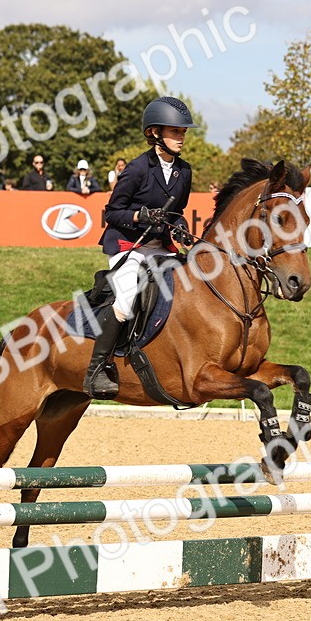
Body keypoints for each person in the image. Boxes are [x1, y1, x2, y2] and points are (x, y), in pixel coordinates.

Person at [85, 96, 195, 399]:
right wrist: (139, 215)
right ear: (155, 133)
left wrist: (182, 227)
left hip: (160, 247)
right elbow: (112, 212)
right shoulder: (136, 169)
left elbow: (178, 211)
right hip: (128, 244)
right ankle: (96, 369)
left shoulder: (184, 171)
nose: (181, 137)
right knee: (126, 299)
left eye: (183, 132)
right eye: (175, 131)